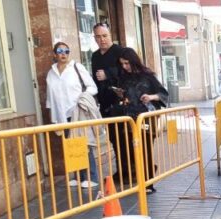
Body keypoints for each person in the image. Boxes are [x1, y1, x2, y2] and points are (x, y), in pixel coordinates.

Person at [110, 47, 167, 193]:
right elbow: (123, 95)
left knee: (146, 149)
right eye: (122, 64)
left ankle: (148, 183)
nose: (124, 67)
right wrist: (121, 96)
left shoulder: (147, 76)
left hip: (146, 117)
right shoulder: (123, 77)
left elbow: (163, 93)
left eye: (127, 63)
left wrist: (151, 97)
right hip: (129, 117)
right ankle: (140, 178)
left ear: (134, 61)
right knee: (132, 150)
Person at [46, 41, 100, 189]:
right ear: (55, 54)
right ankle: (77, 176)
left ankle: (91, 176)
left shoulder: (77, 67)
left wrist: (82, 98)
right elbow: (50, 96)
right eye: (60, 51)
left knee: (84, 144)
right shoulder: (51, 72)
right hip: (62, 114)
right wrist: (53, 115)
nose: (63, 54)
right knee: (71, 145)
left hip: (78, 111)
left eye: (66, 51)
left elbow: (92, 87)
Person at [90, 23, 129, 178]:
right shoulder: (95, 56)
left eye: (104, 36)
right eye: (98, 37)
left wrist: (108, 74)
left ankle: (132, 170)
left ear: (110, 35)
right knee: (114, 139)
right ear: (94, 38)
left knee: (126, 138)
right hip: (106, 105)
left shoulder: (121, 52)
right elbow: (95, 80)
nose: (102, 40)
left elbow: (129, 70)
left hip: (124, 103)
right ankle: (121, 170)